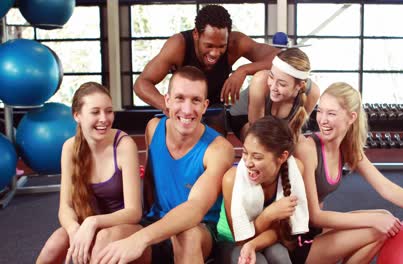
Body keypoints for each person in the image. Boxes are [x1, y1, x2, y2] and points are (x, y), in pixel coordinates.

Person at [292, 82, 403, 264]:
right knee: (379, 227)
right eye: (320, 111)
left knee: (385, 217)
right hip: (297, 242)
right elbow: (315, 216)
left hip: (315, 231)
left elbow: (386, 188)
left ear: (351, 118)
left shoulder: (346, 148)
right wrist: (372, 220)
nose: (322, 119)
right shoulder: (307, 148)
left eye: (331, 113)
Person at [95, 66, 235, 264]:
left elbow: (195, 209)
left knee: (187, 235)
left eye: (195, 100)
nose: (187, 110)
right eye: (180, 98)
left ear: (205, 106)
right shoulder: (153, 128)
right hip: (153, 224)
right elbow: (150, 185)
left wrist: (140, 239)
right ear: (167, 101)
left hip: (197, 232)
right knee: (106, 239)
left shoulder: (219, 149)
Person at [36, 82, 144, 264]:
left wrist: (92, 222)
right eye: (95, 112)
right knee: (56, 242)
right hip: (90, 230)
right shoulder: (70, 148)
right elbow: (65, 207)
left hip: (125, 231)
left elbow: (134, 212)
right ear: (77, 115)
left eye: (109, 111)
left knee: (103, 241)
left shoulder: (124, 145)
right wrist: (74, 231)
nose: (104, 118)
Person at [134, 5, 278, 133]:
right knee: (161, 134)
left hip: (213, 108)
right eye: (209, 46)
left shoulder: (236, 43)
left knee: (217, 147)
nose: (215, 53)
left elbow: (279, 57)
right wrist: (167, 106)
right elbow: (142, 83)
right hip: (185, 107)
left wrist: (243, 70)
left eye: (221, 46)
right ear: (196, 34)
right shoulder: (178, 45)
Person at [222, 116, 309, 264]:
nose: (248, 162)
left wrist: (254, 244)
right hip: (232, 242)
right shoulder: (231, 179)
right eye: (245, 153)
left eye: (257, 157)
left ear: (282, 157)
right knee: (259, 261)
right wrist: (268, 215)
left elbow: (282, 233)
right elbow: (242, 241)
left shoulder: (295, 170)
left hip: (267, 239)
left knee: (279, 255)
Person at [228, 48, 319, 142]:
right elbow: (257, 130)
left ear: (300, 85)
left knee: (298, 144)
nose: (273, 87)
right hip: (244, 116)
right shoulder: (260, 80)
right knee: (260, 143)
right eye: (271, 76)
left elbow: (293, 133)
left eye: (282, 84)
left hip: (279, 124)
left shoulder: (313, 92)